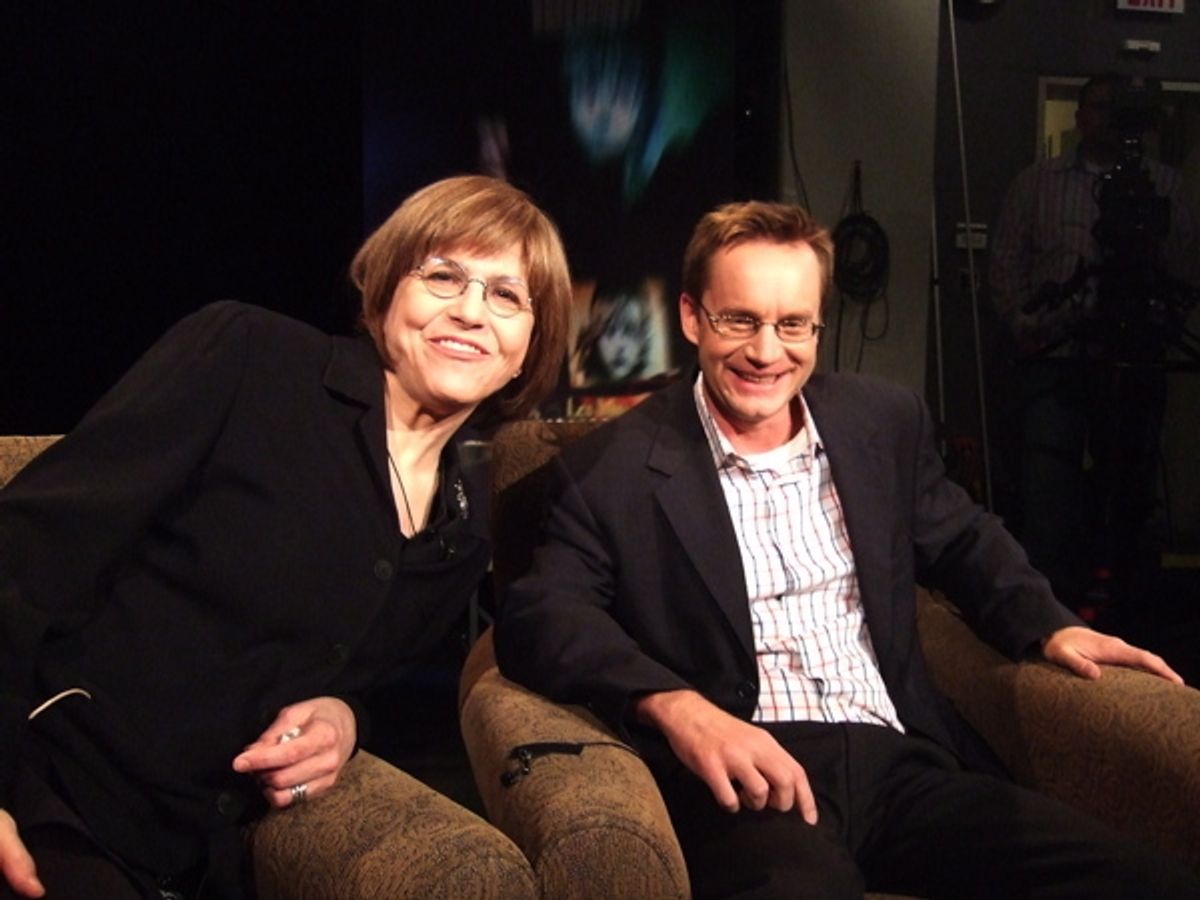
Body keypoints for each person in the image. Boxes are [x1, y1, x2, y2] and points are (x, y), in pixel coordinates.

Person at [496, 199, 1199, 898]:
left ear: (817, 326)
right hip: (752, 777)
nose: (766, 352)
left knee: (1145, 881)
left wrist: (1052, 624)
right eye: (738, 319)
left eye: (792, 324)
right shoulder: (609, 468)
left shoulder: (880, 421)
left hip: (905, 761)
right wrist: (677, 706)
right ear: (690, 316)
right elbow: (545, 615)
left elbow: (959, 536)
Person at [0, 174, 571, 899]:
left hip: (198, 859)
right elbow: (24, 550)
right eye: (442, 276)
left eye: (506, 295)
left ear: (531, 344)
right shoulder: (251, 359)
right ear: (387, 292)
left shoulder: (460, 534)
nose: (468, 311)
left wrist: (343, 716)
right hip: (53, 799)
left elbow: (359, 682)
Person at [989, 73, 1199, 616]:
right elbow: (1007, 261)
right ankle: (1046, 610)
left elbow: (1183, 268)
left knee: (1130, 484)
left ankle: (1133, 608)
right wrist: (1022, 323)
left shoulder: (1167, 188)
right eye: (1102, 108)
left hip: (1134, 359)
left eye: (1123, 110)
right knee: (1048, 487)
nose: (1111, 120)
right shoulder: (1037, 183)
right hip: (1054, 358)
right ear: (1081, 115)